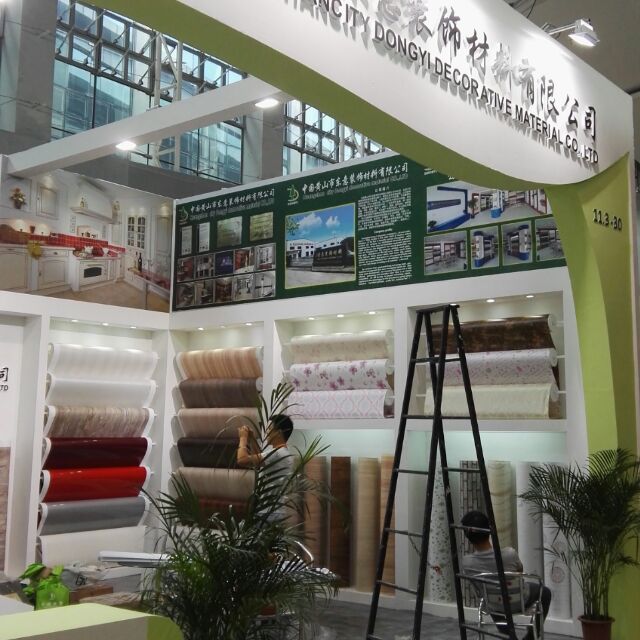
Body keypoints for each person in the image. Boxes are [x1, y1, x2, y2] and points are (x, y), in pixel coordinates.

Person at [461, 510, 551, 640]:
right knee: (545, 592)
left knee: (490, 594)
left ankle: (509, 634)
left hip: (493, 605)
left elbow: (477, 587)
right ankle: (531, 637)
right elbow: (519, 573)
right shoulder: (509, 553)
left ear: (467, 536)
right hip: (520, 601)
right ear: (489, 530)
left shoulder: (467, 563)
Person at [237, 414, 294, 521]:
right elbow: (259, 463)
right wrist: (252, 439)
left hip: (268, 513)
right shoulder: (283, 453)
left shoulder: (277, 453)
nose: (267, 432)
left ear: (278, 432)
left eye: (269, 429)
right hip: (272, 511)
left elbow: (242, 459)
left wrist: (243, 438)